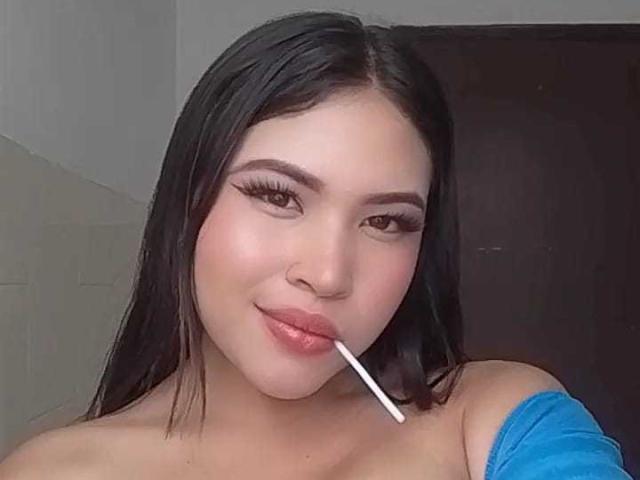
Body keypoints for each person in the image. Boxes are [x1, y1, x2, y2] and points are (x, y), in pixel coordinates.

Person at [0, 10, 632, 479]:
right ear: (189, 199)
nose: (328, 273)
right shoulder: (52, 472)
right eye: (278, 196)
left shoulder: (492, 421)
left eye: (386, 222)